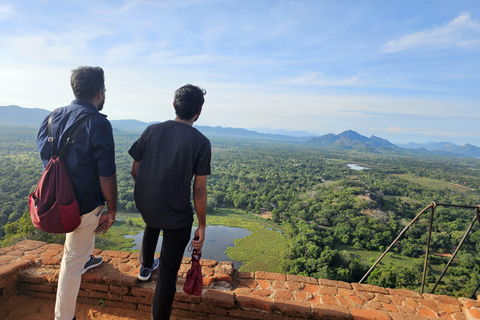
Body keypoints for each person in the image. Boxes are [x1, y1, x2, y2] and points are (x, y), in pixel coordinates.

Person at [36, 66, 117, 320]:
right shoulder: (98, 124)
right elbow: (106, 174)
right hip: (82, 208)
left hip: (54, 201)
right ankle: (64, 317)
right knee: (70, 262)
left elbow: (47, 161)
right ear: (100, 93)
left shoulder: (49, 118)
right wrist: (112, 208)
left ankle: (88, 258)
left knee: (79, 250)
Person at [129, 84, 211, 319]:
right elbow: (199, 190)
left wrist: (150, 191)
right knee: (167, 273)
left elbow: (135, 170)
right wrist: (202, 226)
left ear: (174, 105)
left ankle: (145, 266)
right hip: (176, 216)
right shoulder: (201, 142)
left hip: (147, 206)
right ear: (199, 111)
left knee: (155, 219)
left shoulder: (151, 131)